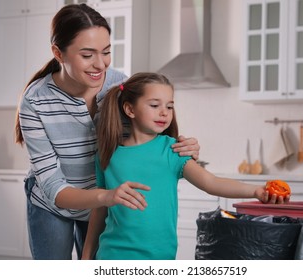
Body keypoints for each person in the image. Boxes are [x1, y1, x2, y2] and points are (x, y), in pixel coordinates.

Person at [14, 4, 200, 260]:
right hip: (53, 204)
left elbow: (144, 138)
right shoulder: (35, 100)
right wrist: (105, 196)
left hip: (105, 204)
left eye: (106, 52)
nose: (100, 64)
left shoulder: (119, 86)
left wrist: (184, 148)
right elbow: (53, 186)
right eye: (87, 55)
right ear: (58, 52)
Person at [81, 72, 290, 260]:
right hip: (113, 255)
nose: (164, 112)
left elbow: (211, 182)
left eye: (169, 106)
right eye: (155, 105)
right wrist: (86, 256)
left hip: (161, 258)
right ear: (130, 109)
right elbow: (100, 209)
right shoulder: (108, 155)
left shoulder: (172, 150)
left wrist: (255, 190)